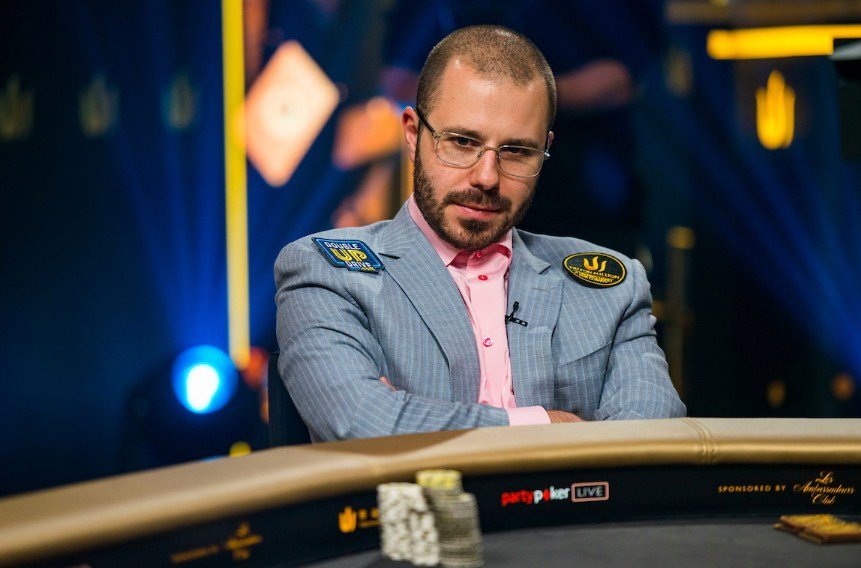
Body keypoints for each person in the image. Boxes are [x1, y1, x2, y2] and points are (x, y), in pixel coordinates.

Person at [275, 25, 685, 442]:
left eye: (517, 151)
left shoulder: (612, 286)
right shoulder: (326, 273)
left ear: (544, 150)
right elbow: (363, 421)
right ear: (413, 135)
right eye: (462, 142)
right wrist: (551, 424)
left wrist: (413, 414)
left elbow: (652, 438)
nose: (487, 177)